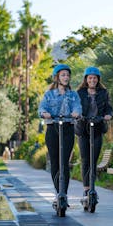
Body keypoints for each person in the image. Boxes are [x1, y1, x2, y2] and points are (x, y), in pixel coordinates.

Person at [38, 63, 81, 204]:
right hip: (53, 129)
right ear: (57, 77)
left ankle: (64, 194)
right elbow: (42, 107)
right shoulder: (49, 94)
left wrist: (76, 113)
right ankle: (58, 193)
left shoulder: (73, 95)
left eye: (67, 75)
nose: (66, 77)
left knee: (64, 163)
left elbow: (78, 107)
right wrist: (44, 113)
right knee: (55, 163)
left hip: (68, 129)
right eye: (63, 75)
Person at [75, 66, 113, 201]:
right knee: (85, 159)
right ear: (86, 79)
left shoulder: (103, 93)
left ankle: (92, 187)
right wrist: (77, 114)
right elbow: (76, 107)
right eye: (90, 78)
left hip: (97, 127)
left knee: (93, 160)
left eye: (94, 78)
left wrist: (108, 115)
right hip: (83, 129)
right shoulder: (79, 93)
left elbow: (109, 108)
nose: (92, 80)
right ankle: (86, 189)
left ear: (98, 80)